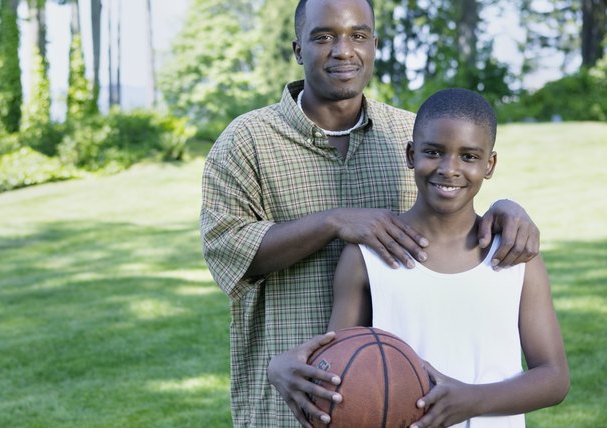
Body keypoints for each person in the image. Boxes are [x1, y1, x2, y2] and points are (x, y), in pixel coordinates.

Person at [200, 0, 539, 426]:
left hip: (393, 397)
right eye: (324, 36)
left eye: (358, 35)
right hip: (290, 394)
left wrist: (507, 208)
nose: (343, 50)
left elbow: (452, 204)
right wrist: (333, 222)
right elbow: (228, 252)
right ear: (297, 49)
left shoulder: (408, 132)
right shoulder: (245, 142)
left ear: (374, 45)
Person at [323, 88, 569, 428]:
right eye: (434, 152)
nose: (449, 169)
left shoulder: (514, 255)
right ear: (411, 154)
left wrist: (470, 401)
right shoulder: (367, 255)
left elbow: (554, 377)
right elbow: (337, 369)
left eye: (468, 156)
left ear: (490, 164)